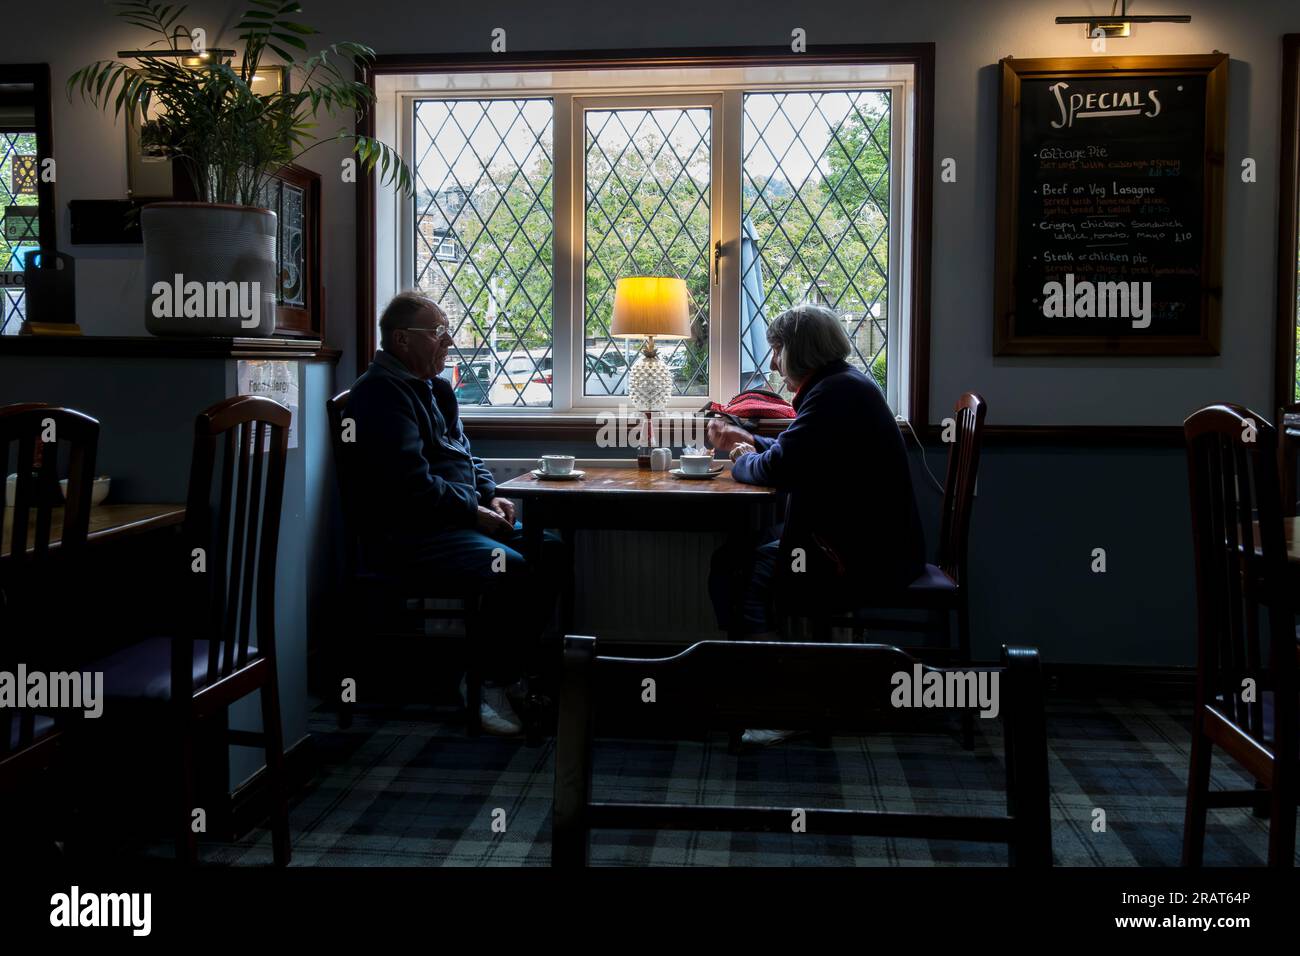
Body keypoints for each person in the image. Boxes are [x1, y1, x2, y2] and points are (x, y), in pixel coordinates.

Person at [707, 304, 926, 745]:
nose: (772, 363)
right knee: (736, 556)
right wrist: (752, 441)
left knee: (743, 568)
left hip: (860, 556)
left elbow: (778, 469)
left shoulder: (833, 394)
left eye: (776, 350)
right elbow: (799, 450)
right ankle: (777, 688)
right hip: (865, 543)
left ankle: (791, 703)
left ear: (797, 350)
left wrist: (739, 456)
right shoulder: (842, 386)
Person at [347, 291, 560, 735]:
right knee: (513, 568)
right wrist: (475, 513)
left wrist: (490, 494)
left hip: (454, 521)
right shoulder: (379, 396)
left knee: (552, 548)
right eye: (439, 333)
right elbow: (411, 486)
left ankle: (509, 673)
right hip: (409, 536)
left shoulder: (436, 388)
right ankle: (485, 683)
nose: (449, 342)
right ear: (402, 340)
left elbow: (464, 454)